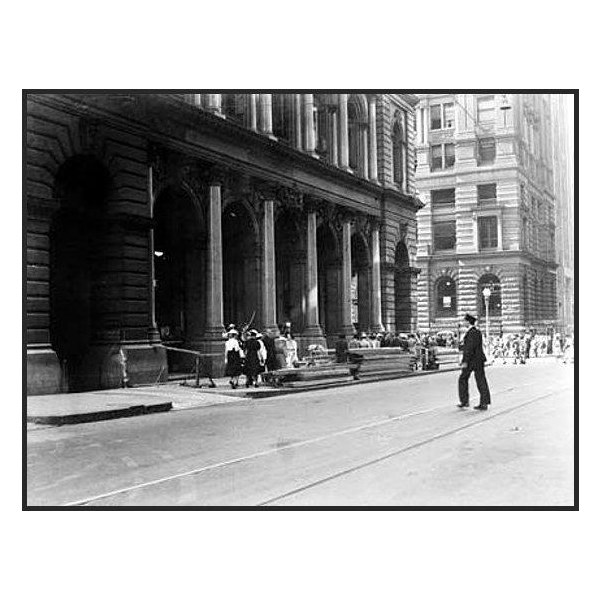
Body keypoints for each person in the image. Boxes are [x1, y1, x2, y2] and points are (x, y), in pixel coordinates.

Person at [457, 314, 491, 410]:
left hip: (471, 360)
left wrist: (464, 361)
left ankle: (464, 401)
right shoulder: (477, 332)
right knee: (481, 380)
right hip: (479, 360)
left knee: (462, 379)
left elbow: (469, 348)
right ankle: (484, 402)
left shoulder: (471, 333)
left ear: (468, 322)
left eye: (464, 321)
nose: (463, 323)